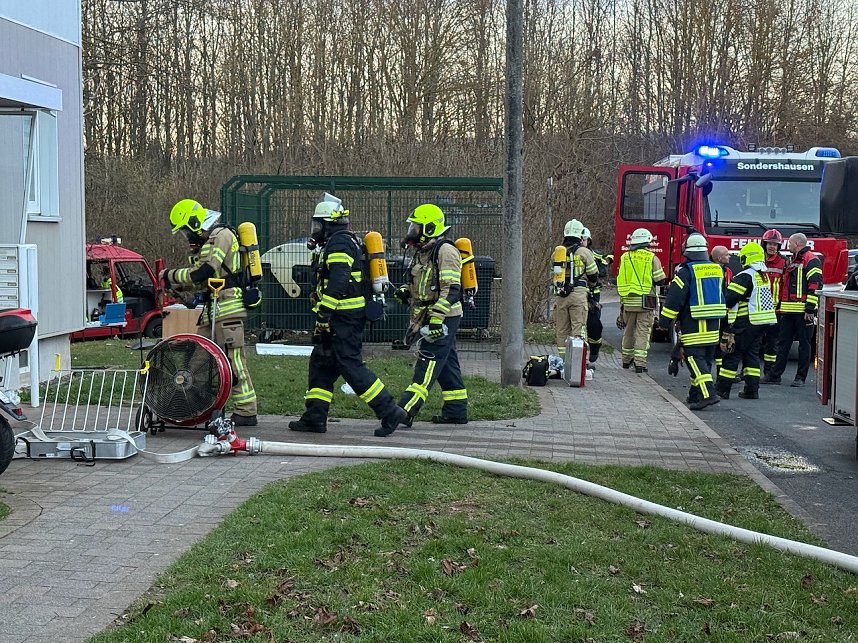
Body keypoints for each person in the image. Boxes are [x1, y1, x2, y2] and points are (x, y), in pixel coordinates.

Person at [289, 196, 406, 437]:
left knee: (351, 366)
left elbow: (339, 281)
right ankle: (315, 417)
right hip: (338, 317)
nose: (315, 230)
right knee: (321, 364)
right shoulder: (336, 242)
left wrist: (324, 312)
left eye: (318, 225)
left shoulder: (340, 244)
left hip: (343, 319)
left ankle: (389, 411)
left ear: (329, 224)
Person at [160, 199, 258, 426]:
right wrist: (178, 286)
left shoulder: (221, 235)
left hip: (227, 310)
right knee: (197, 359)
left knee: (234, 362)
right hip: (212, 311)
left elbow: (205, 271)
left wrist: (170, 275)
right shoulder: (207, 241)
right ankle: (193, 405)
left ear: (194, 222)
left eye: (185, 230)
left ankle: (246, 411)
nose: (186, 237)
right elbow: (201, 281)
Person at [394, 203, 468, 427]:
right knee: (447, 364)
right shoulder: (423, 251)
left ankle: (403, 412)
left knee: (428, 361)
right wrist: (408, 291)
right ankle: (456, 410)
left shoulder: (446, 251)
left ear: (429, 227)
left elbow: (452, 290)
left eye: (416, 227)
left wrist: (436, 318)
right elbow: (425, 282)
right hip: (429, 313)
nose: (412, 232)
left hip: (443, 317)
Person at [658, 233, 726, 410]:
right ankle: (694, 394)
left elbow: (675, 299)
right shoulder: (717, 269)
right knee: (705, 360)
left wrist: (664, 321)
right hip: (714, 323)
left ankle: (708, 394)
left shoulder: (686, 271)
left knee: (694, 359)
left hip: (695, 323)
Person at [715, 242, 777, 400]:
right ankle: (751, 390)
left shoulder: (745, 276)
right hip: (761, 323)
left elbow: (730, 299)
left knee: (732, 354)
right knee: (752, 355)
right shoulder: (762, 275)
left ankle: (722, 389)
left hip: (746, 322)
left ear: (746, 258)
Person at [762, 233, 822, 387]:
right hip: (788, 311)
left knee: (804, 344)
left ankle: (800, 377)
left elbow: (815, 285)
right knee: (783, 344)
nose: (787, 245)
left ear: (797, 243)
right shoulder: (792, 260)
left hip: (803, 312)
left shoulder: (811, 260)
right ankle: (775, 375)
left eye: (790, 242)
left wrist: (810, 309)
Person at [615, 227, 665, 373]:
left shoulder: (625, 257)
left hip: (628, 300)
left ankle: (625, 360)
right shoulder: (651, 258)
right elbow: (660, 280)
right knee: (642, 332)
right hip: (646, 301)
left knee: (629, 331)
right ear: (648, 242)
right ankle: (639, 363)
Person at [553, 219, 599, 358]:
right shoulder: (584, 252)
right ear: (580, 235)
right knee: (578, 329)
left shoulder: (557, 253)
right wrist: (591, 289)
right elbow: (593, 275)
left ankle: (563, 361)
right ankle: (579, 365)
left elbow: (554, 274)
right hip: (578, 295)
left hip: (561, 296)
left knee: (561, 330)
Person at [581, 227, 612, 363]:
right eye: (580, 239)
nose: (582, 241)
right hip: (577, 294)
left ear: (589, 240)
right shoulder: (571, 253)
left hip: (593, 296)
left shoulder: (596, 255)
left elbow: (602, 271)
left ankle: (594, 348)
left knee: (594, 325)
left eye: (584, 239)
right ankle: (580, 356)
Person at [760, 229, 786, 374]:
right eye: (770, 243)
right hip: (757, 308)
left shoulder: (783, 262)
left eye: (775, 245)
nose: (772, 247)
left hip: (775, 310)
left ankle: (769, 371)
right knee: (753, 341)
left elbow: (785, 285)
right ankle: (749, 372)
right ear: (764, 244)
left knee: (772, 342)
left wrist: (782, 304)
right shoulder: (757, 260)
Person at [710, 245, 733, 377]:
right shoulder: (710, 270)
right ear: (719, 258)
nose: (729, 256)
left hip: (725, 311)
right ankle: (719, 372)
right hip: (715, 311)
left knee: (723, 342)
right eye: (726, 254)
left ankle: (720, 371)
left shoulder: (728, 271)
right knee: (716, 341)